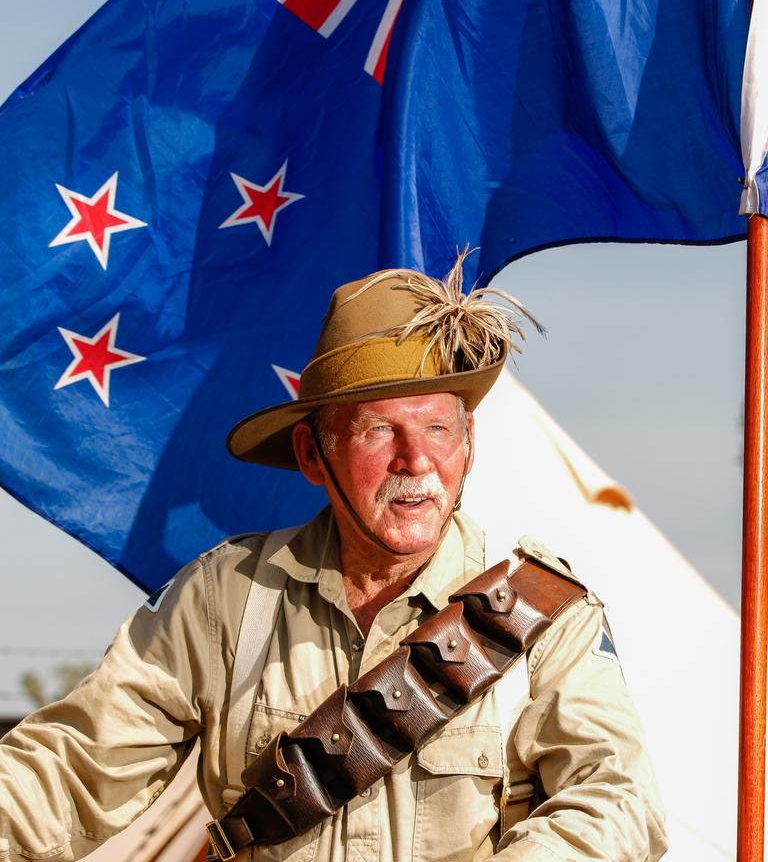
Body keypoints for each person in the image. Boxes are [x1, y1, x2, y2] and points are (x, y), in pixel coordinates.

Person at [0, 253, 667, 862]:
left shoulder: (541, 613)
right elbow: (70, 772)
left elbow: (618, 804)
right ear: (313, 457)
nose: (417, 461)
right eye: (380, 430)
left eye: (438, 428)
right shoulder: (225, 599)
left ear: (469, 446)